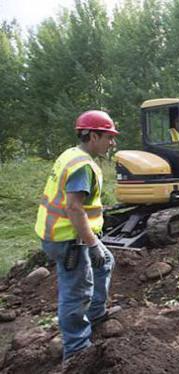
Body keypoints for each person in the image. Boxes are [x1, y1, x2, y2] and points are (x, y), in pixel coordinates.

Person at [34, 110, 119, 361]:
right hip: (69, 238)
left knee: (106, 263)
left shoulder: (71, 155)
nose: (112, 143)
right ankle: (77, 351)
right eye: (108, 137)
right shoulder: (82, 166)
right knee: (77, 291)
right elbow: (73, 207)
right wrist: (93, 244)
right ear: (93, 136)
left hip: (64, 233)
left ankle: (96, 313)